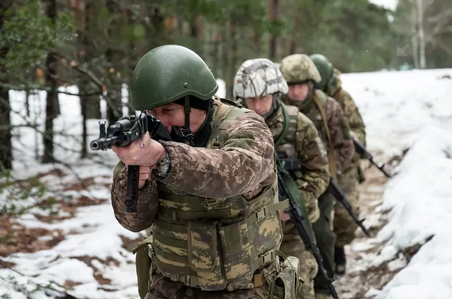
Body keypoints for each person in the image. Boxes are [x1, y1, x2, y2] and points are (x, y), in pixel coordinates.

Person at [110, 45, 298, 299]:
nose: (161, 121)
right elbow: (133, 221)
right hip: (169, 288)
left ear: (196, 102)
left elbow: (232, 175)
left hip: (245, 289)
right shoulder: (150, 137)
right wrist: (138, 177)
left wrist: (163, 158)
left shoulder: (247, 127)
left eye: (168, 111)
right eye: (153, 112)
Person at [233, 58, 330, 299]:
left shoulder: (298, 126)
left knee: (297, 283)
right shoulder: (229, 127)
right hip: (242, 229)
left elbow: (319, 173)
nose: (256, 105)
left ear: (276, 95)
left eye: (262, 98)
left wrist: (285, 206)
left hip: (290, 227)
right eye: (250, 99)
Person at [280, 54, 355, 299]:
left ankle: (324, 284)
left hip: (318, 183)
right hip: (283, 184)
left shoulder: (328, 107)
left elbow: (345, 146)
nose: (296, 91)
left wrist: (326, 173)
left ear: (311, 84)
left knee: (321, 235)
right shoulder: (277, 108)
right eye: (291, 85)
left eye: (300, 85)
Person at [310, 54, 367, 275]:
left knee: (345, 214)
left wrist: (347, 138)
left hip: (342, 162)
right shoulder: (304, 97)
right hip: (315, 161)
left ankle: (339, 247)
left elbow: (359, 131)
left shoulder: (343, 99)